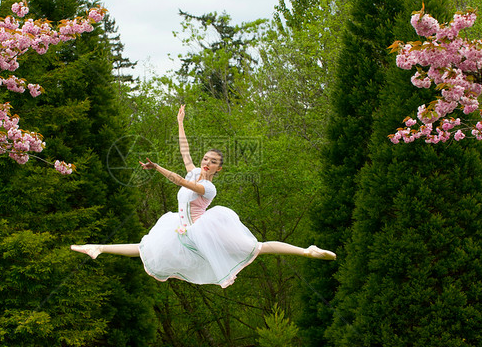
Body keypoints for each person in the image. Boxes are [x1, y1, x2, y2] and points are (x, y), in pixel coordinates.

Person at [71, 105, 335, 288]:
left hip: (203, 232)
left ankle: (307, 251)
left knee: (258, 248)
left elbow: (179, 180)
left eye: (213, 161)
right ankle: (98, 248)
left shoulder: (208, 187)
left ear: (219, 169)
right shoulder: (196, 170)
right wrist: (180, 122)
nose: (207, 162)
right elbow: (185, 152)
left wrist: (156, 167)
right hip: (181, 229)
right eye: (206, 158)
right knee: (145, 248)